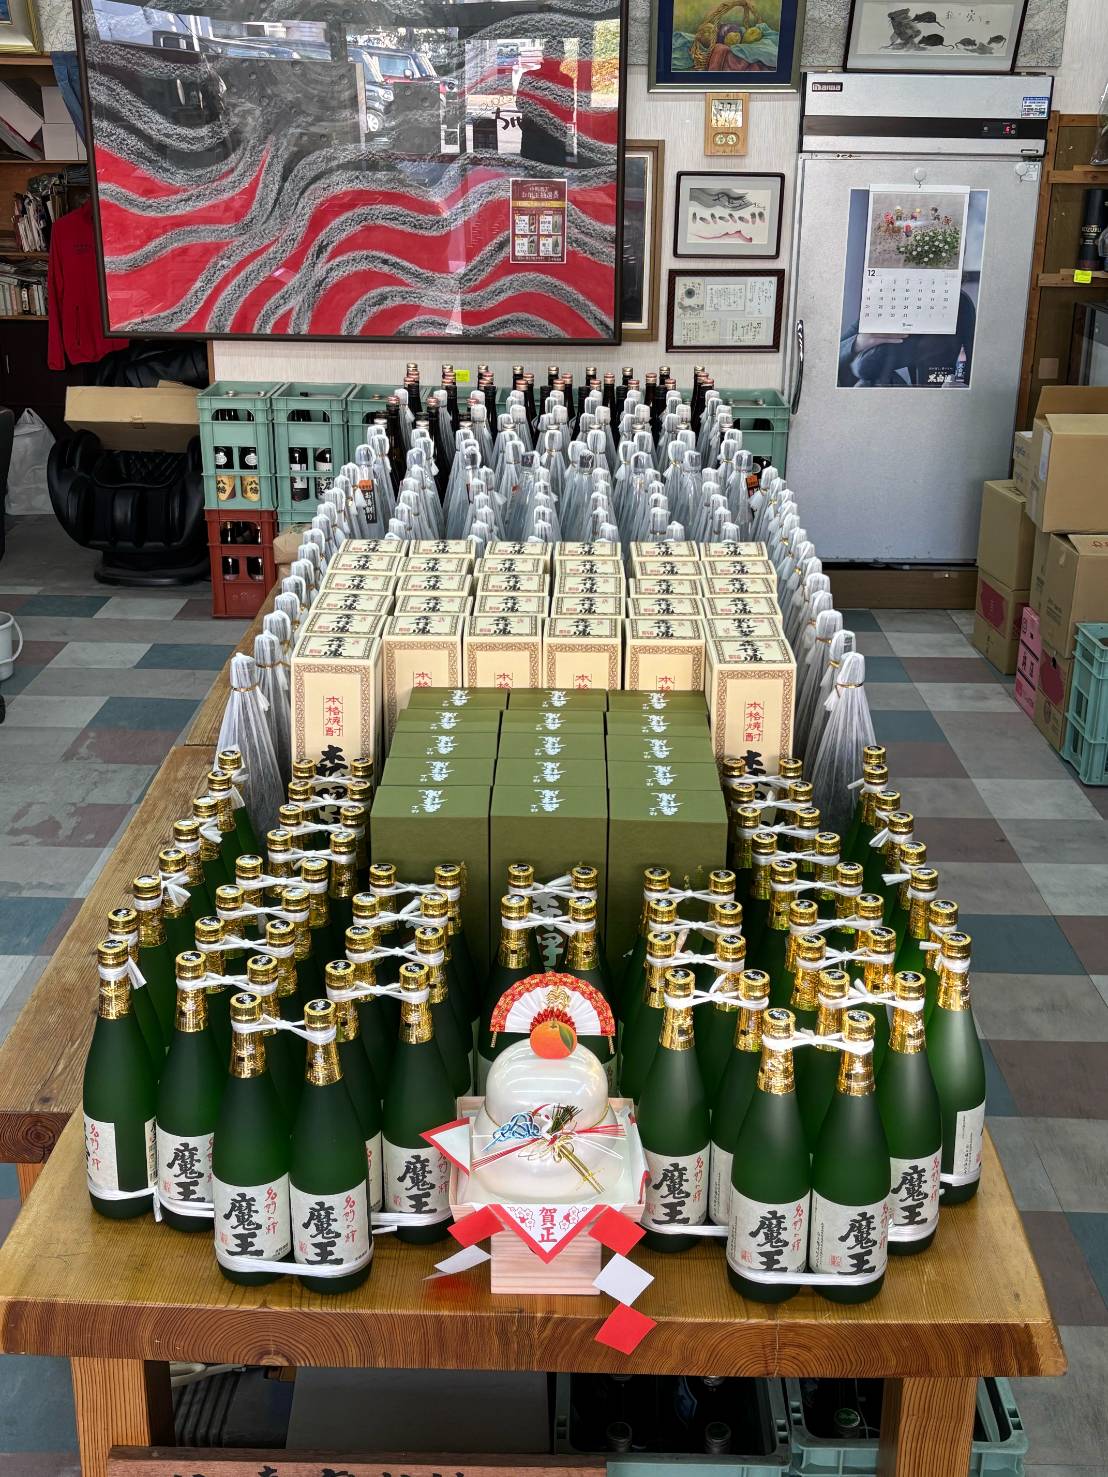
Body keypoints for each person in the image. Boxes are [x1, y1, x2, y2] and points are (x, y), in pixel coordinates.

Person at [838, 288, 977, 388]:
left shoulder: (959, 303)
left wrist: (963, 389)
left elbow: (972, 365)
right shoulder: (884, 303)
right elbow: (832, 356)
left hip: (934, 400)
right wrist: (858, 342)